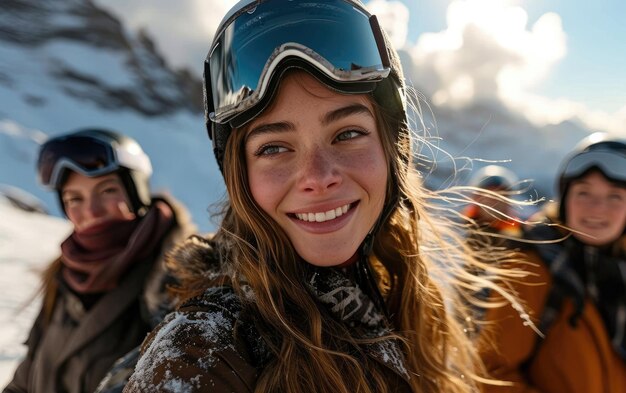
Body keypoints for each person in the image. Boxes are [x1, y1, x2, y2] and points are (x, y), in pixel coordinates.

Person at [124, 1, 521, 392]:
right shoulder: (203, 349)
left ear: (392, 149)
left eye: (347, 134)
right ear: (239, 174)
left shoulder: (400, 298)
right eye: (274, 148)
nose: (317, 177)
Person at [3, 128, 196, 393]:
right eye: (74, 199)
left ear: (135, 192)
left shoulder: (182, 280)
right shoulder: (64, 279)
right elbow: (25, 382)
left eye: (107, 191)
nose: (91, 211)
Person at [479, 132, 626, 392]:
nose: (597, 209)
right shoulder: (530, 267)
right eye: (583, 193)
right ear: (565, 199)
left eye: (615, 196)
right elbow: (489, 373)